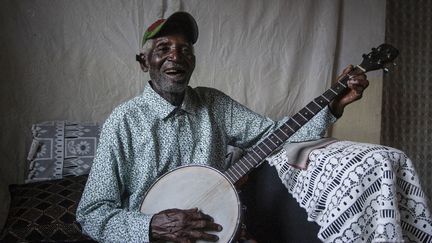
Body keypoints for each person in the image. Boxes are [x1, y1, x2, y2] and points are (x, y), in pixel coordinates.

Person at [76, 11, 370, 242]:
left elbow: (276, 135)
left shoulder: (214, 103)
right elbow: (91, 213)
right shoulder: (123, 121)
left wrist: (334, 104)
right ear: (144, 62)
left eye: (185, 49)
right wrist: (152, 226)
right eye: (163, 48)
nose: (176, 56)